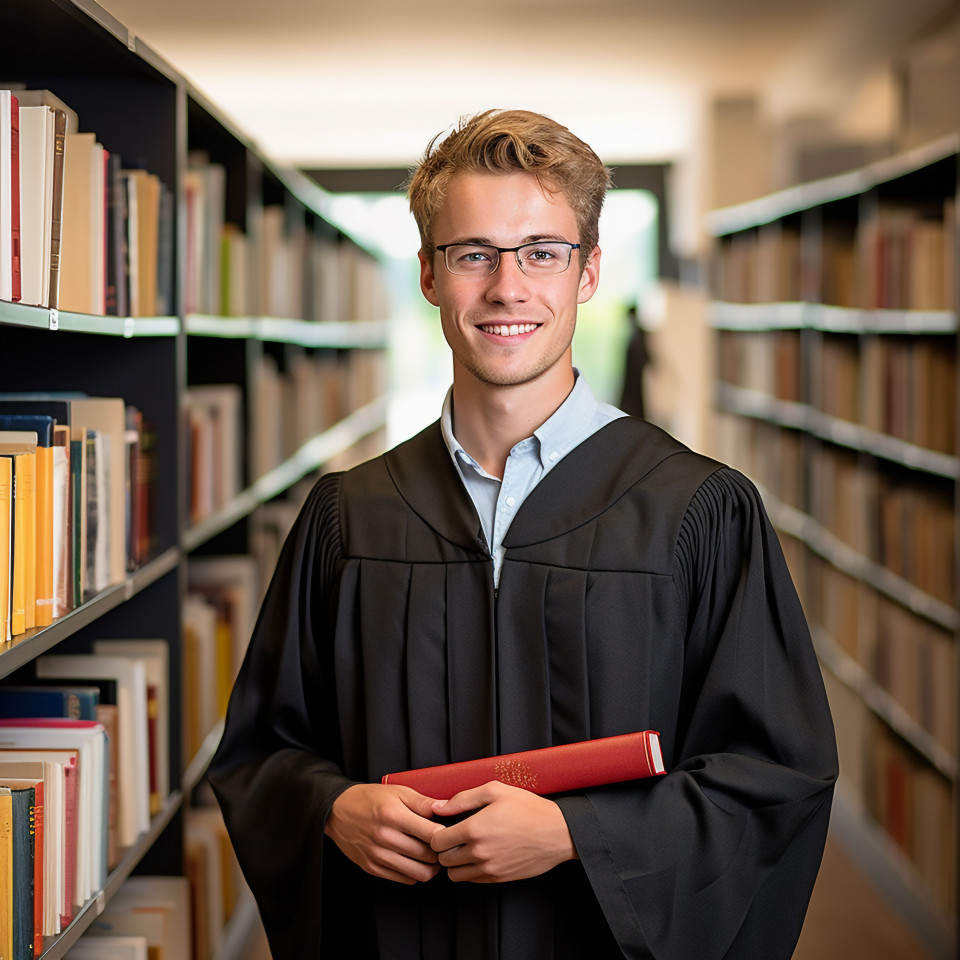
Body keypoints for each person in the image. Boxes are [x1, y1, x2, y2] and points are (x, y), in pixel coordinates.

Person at [208, 109, 837, 960]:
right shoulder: (349, 520)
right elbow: (264, 751)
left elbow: (774, 776)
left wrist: (582, 835)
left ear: (588, 273)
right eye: (473, 254)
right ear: (430, 275)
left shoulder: (699, 512)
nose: (508, 288)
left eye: (543, 252)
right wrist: (331, 806)